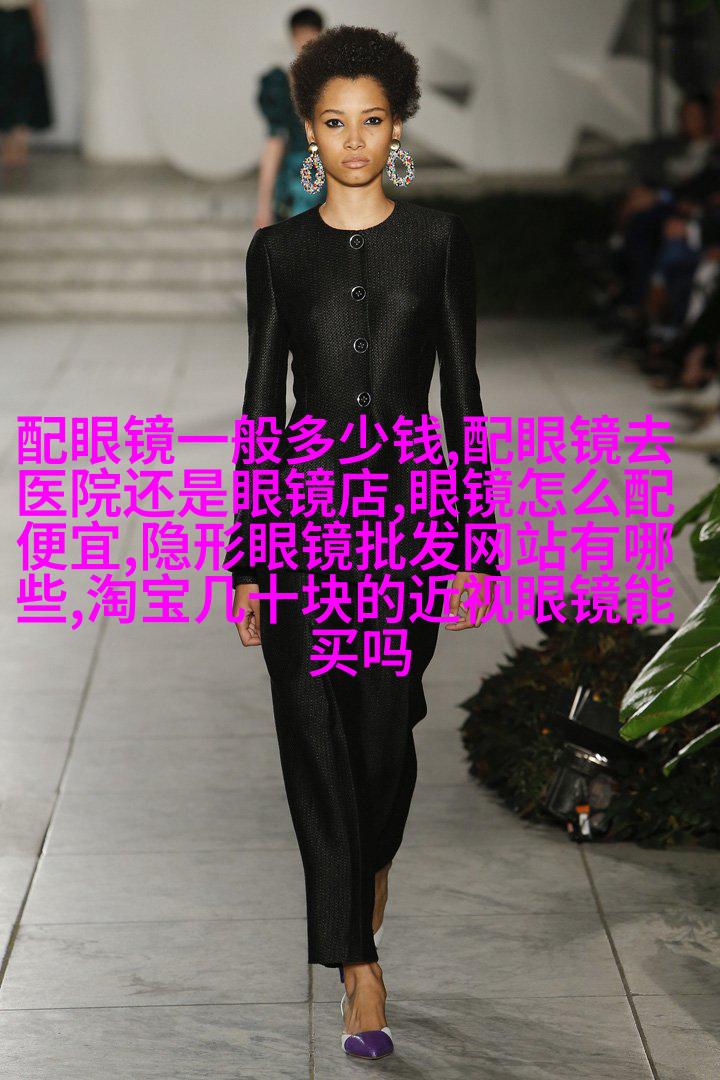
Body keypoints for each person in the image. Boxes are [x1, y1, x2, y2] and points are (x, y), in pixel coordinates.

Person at [224, 24, 498, 1061]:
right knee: (311, 729)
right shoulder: (279, 254)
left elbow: (464, 398)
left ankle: (368, 869)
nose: (352, 140)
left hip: (408, 522)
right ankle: (358, 966)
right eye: (334, 122)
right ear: (309, 130)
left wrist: (475, 542)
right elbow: (260, 407)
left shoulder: (437, 241)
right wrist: (248, 557)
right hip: (300, 516)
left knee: (383, 733)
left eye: (371, 120)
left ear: (397, 128)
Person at [253, 7, 325, 227]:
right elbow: (274, 142)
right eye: (302, 36)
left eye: (312, 37)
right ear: (292, 37)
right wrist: (263, 205)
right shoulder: (280, 84)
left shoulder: (335, 82)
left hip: (333, 174)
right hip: (296, 180)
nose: (306, 43)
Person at [0, 0, 52, 169]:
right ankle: (7, 143)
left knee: (23, 83)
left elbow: (36, 5)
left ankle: (20, 143)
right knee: (4, 85)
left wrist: (41, 36)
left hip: (21, 24)